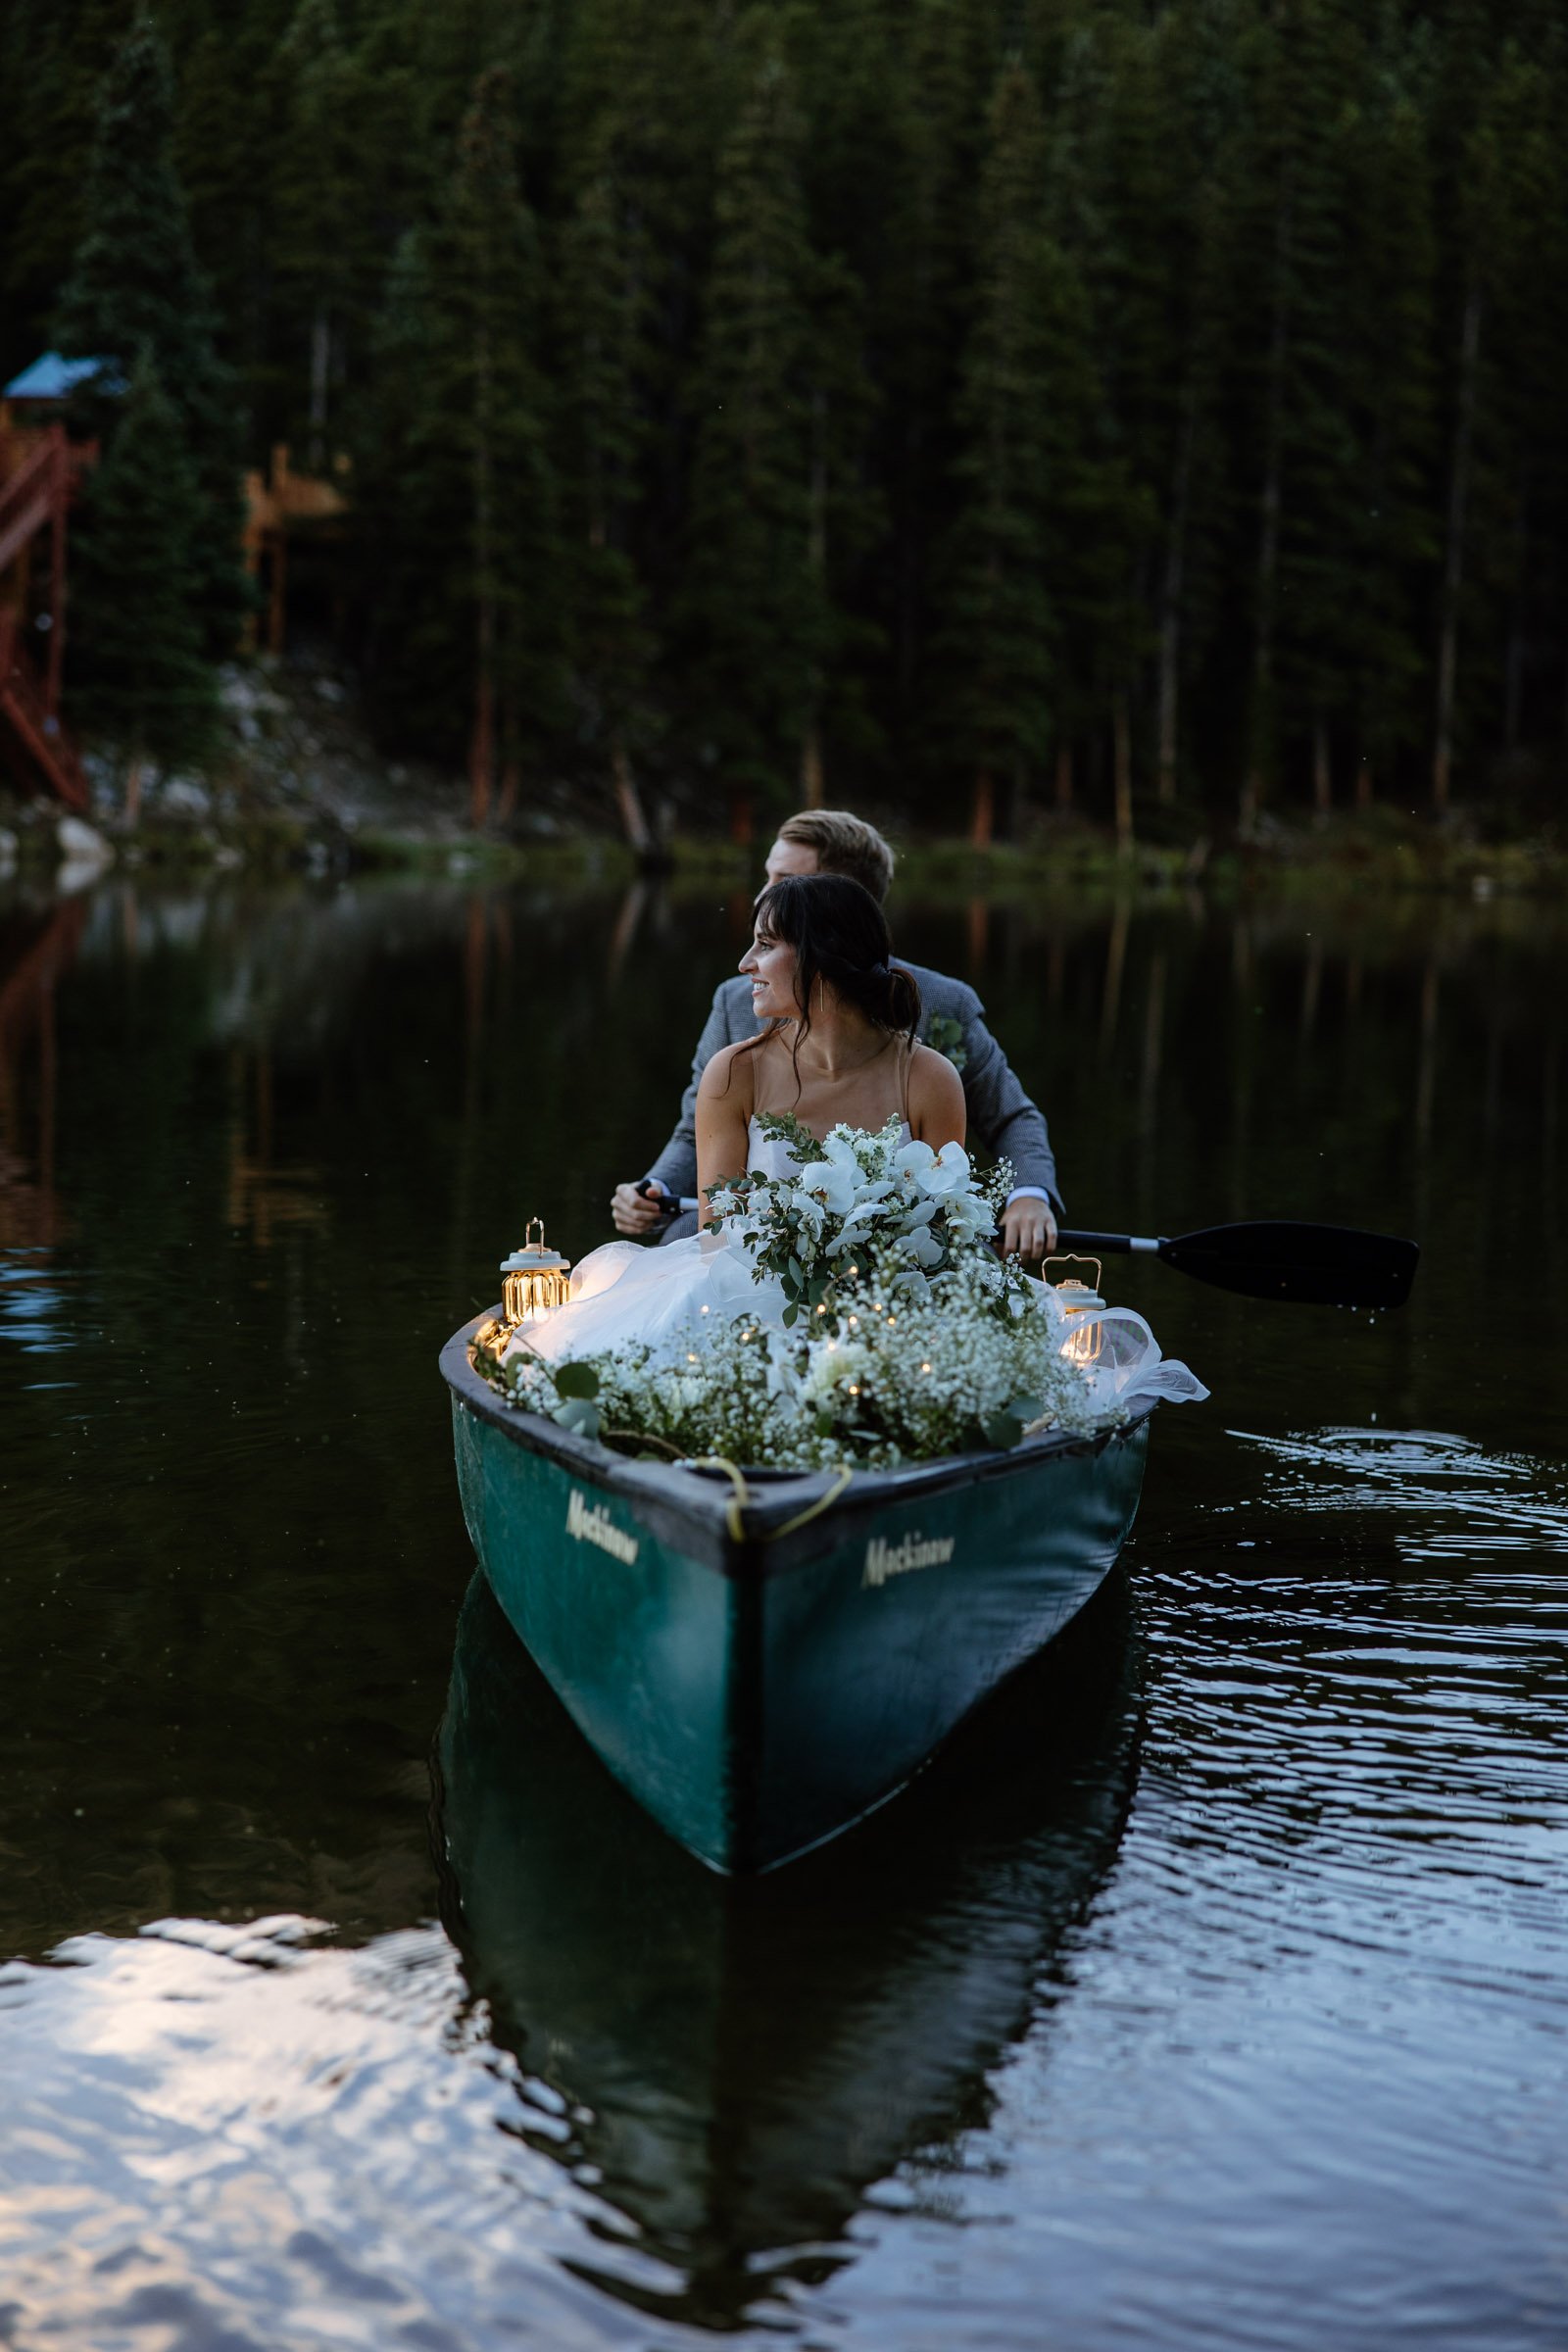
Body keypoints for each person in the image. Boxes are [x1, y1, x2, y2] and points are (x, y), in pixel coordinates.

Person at [523, 874, 964, 1369]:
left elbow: (941, 1234)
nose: (745, 963)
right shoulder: (736, 1072)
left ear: (823, 955)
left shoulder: (929, 1078)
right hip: (752, 1298)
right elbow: (717, 1236)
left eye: (766, 945)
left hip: (890, 1305)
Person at [611, 809, 1061, 1258]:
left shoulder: (943, 1008)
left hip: (892, 1255)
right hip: (756, 1249)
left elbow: (1010, 1116)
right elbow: (696, 1131)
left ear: (840, 902)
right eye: (768, 877)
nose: (763, 894)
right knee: (681, 1239)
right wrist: (656, 1187)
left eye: (785, 880)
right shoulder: (736, 1005)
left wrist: (1029, 1195)